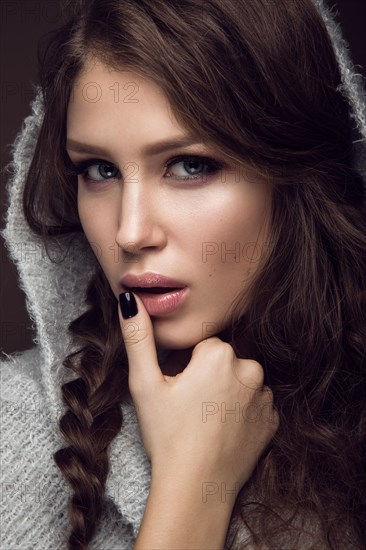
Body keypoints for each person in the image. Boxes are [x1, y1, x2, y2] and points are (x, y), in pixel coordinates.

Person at [1, 0, 365, 548]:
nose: (129, 231)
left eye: (190, 165)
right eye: (98, 170)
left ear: (297, 179)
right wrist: (197, 487)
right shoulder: (13, 429)